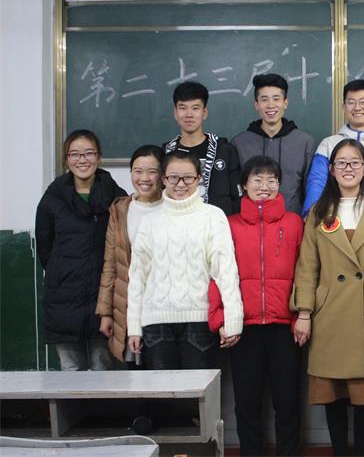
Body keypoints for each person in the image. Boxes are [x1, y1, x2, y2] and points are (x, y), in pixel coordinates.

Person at [293, 139, 364, 456]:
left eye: (355, 162)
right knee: (333, 394)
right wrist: (303, 313)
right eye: (341, 162)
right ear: (331, 169)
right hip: (328, 313)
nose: (348, 168)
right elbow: (307, 266)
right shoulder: (318, 212)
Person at [208, 156, 304, 456]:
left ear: (280, 185)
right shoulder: (230, 225)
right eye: (257, 180)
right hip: (243, 327)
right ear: (243, 185)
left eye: (271, 180)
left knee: (288, 401)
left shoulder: (294, 223)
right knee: (247, 403)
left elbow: (306, 271)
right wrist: (221, 320)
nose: (265, 186)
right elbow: (217, 274)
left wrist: (302, 314)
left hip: (284, 326)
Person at [127, 150, 243, 370]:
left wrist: (233, 319)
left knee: (198, 390)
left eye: (188, 177)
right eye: (173, 177)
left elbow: (226, 272)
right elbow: (137, 277)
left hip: (199, 322)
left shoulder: (213, 216)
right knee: (161, 391)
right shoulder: (149, 222)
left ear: (198, 179)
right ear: (163, 179)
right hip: (156, 323)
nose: (180, 184)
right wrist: (134, 327)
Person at [35, 129, 127, 370]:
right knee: (71, 369)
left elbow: (122, 247)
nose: (82, 160)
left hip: (103, 298)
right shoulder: (52, 199)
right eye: (74, 154)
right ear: (66, 159)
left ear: (98, 157)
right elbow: (46, 249)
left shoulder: (116, 197)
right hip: (64, 297)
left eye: (88, 153)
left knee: (102, 367)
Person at [96, 145, 164, 367]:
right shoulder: (120, 209)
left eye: (152, 172)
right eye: (137, 171)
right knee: (137, 375)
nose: (144, 178)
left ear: (163, 175)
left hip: (162, 306)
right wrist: (106, 313)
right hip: (127, 305)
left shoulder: (171, 207)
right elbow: (111, 263)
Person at [303, 79, 364, 216]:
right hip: (333, 218)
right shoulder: (328, 144)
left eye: (363, 102)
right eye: (351, 102)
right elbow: (317, 183)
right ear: (343, 107)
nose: (357, 107)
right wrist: (311, 214)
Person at [231, 73, 316, 216]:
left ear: (285, 103)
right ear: (256, 105)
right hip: (249, 224)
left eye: (276, 99)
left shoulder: (304, 143)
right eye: (264, 99)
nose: (271, 105)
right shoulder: (239, 143)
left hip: (292, 223)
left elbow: (310, 189)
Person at [162, 81, 241, 215]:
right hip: (176, 224)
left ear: (204, 113)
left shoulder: (224, 150)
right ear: (175, 113)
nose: (189, 114)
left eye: (195, 108)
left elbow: (237, 198)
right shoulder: (166, 152)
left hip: (217, 225)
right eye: (183, 108)